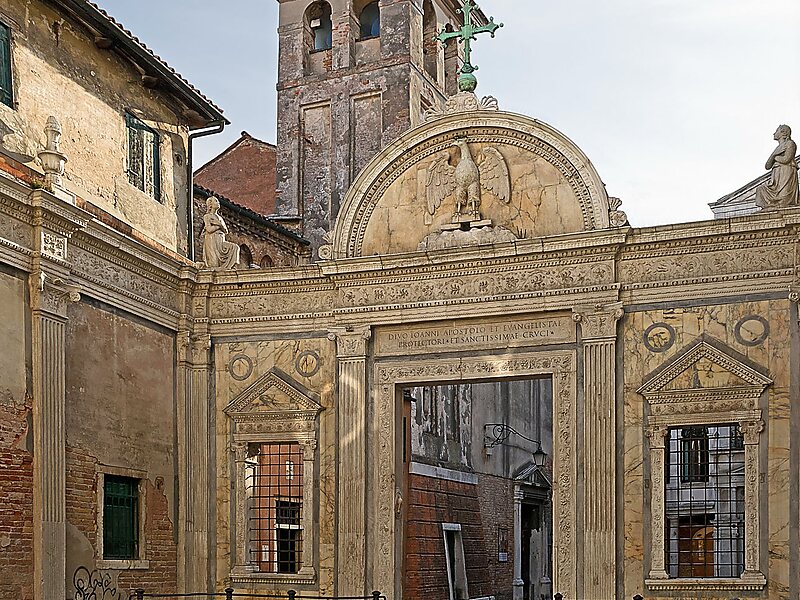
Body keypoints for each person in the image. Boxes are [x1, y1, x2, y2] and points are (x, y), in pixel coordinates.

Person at [755, 124, 799, 209]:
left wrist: (775, 157)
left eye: (776, 131)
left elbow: (786, 159)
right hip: (776, 177)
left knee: (784, 200)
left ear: (783, 132)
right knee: (760, 189)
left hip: (786, 173)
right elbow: (767, 166)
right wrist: (774, 154)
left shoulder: (790, 143)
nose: (774, 133)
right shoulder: (778, 148)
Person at [202, 196, 240, 270]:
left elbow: (226, 231)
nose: (218, 202)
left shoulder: (220, 218)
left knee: (235, 247)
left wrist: (219, 224)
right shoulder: (207, 216)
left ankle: (230, 266)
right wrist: (219, 226)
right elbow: (209, 229)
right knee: (214, 264)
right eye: (216, 201)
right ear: (210, 205)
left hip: (221, 239)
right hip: (212, 240)